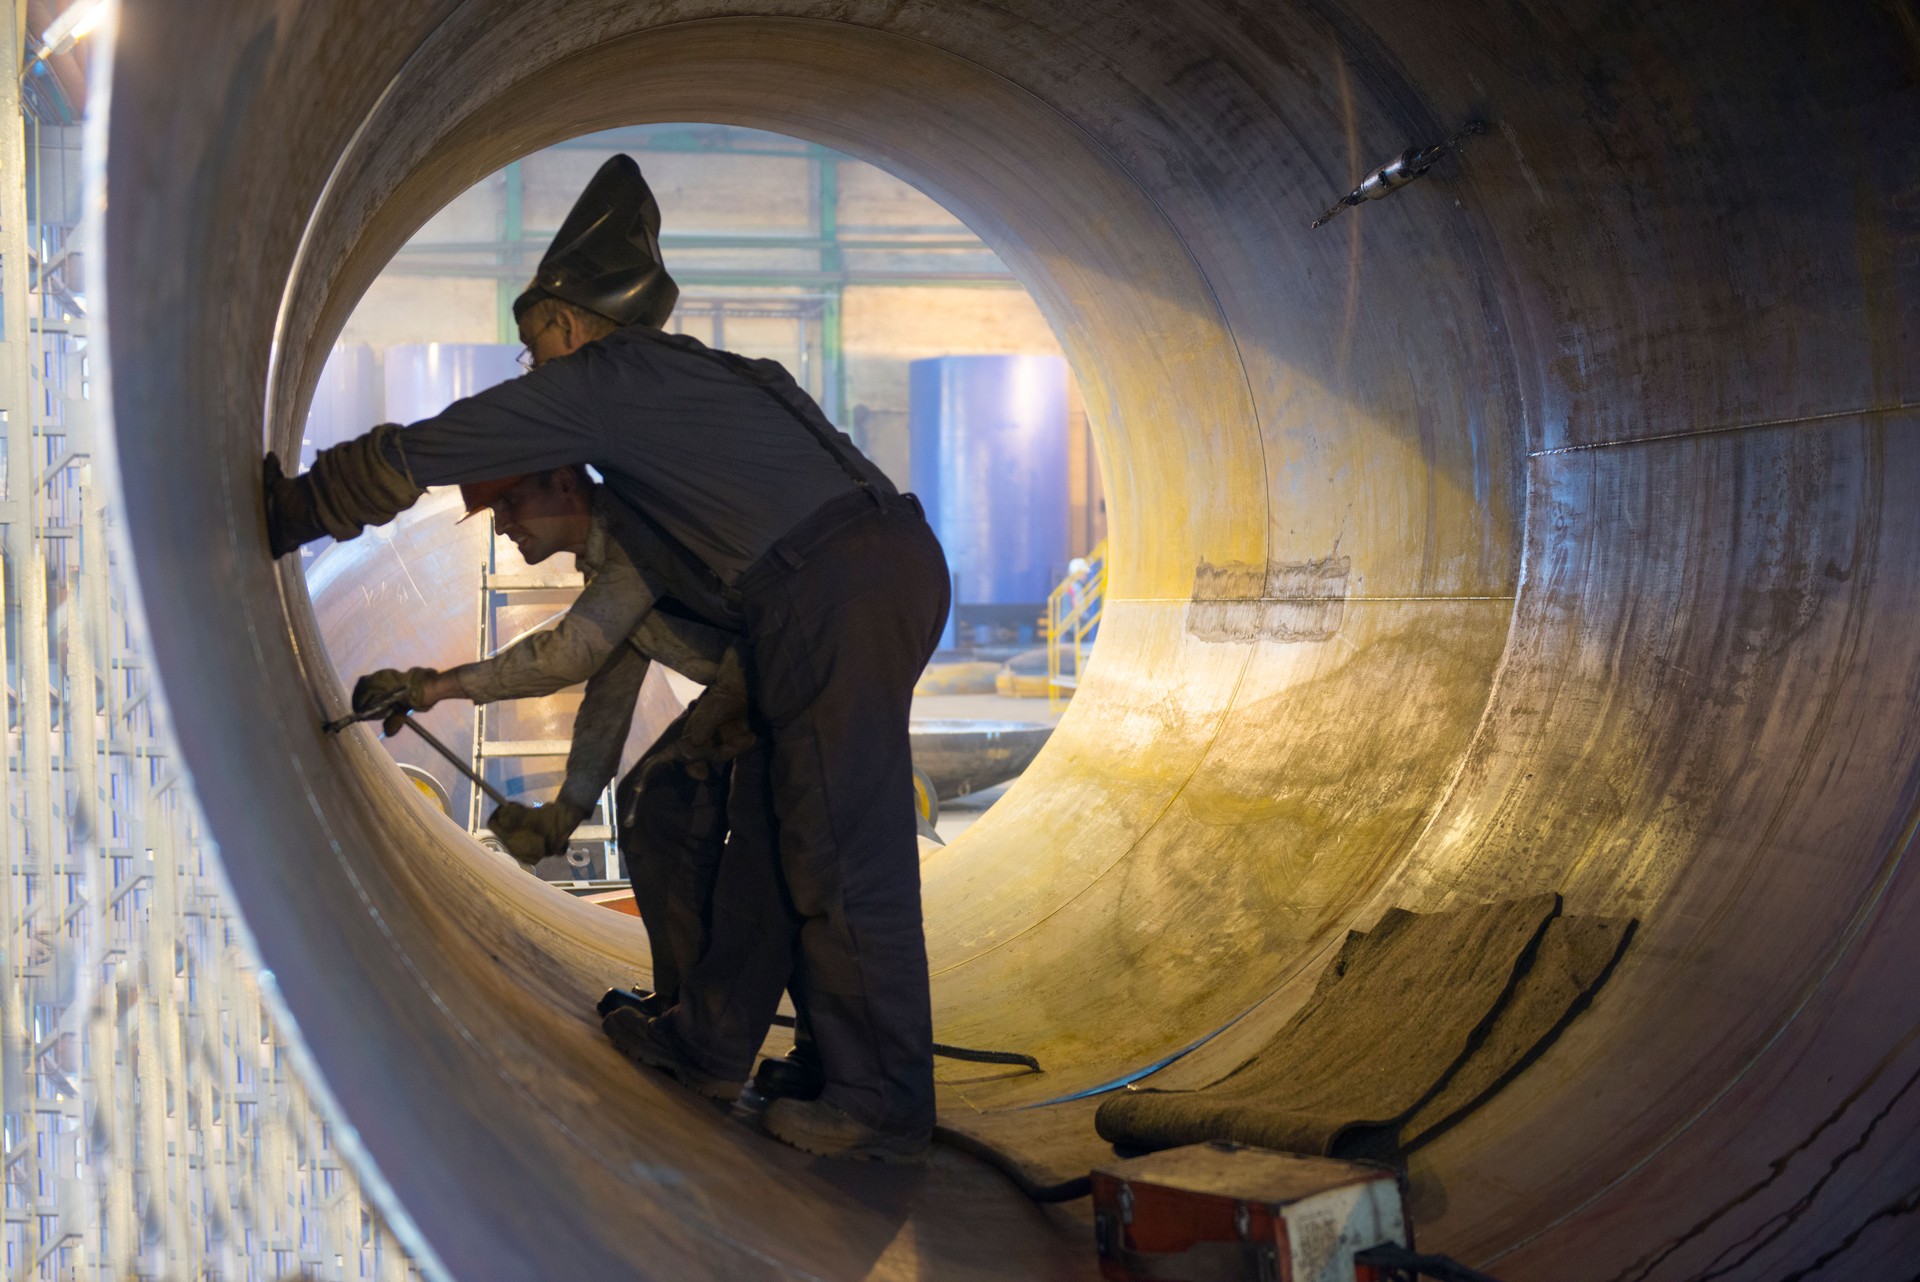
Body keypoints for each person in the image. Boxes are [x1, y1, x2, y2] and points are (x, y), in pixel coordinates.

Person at [265, 154, 950, 1162]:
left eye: (536, 347)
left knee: (842, 847)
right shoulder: (690, 394)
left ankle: (884, 1099)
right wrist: (564, 805)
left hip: (826, 587)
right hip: (855, 573)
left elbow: (443, 444)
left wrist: (306, 506)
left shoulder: (611, 382)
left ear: (571, 324)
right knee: (783, 831)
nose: (536, 371)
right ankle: (770, 1049)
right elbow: (609, 671)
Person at [350, 465, 752, 1012]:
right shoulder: (614, 560)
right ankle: (690, 1010)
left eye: (509, 504)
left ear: (564, 482)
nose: (503, 527)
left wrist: (431, 687)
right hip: (759, 689)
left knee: (782, 867)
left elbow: (568, 654)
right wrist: (567, 812)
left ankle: (720, 1028)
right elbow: (607, 701)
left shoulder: (639, 538)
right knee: (654, 809)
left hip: (791, 687)